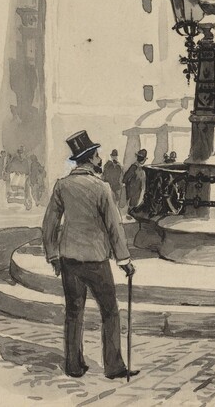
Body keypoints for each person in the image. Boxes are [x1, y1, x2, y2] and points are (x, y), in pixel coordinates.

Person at [42, 130, 138, 380]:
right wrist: (124, 260)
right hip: (96, 261)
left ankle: (73, 365)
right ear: (91, 158)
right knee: (110, 312)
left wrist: (53, 255)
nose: (99, 159)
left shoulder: (62, 185)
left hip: (69, 260)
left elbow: (50, 223)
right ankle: (114, 366)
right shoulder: (101, 187)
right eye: (97, 155)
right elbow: (114, 227)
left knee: (74, 312)